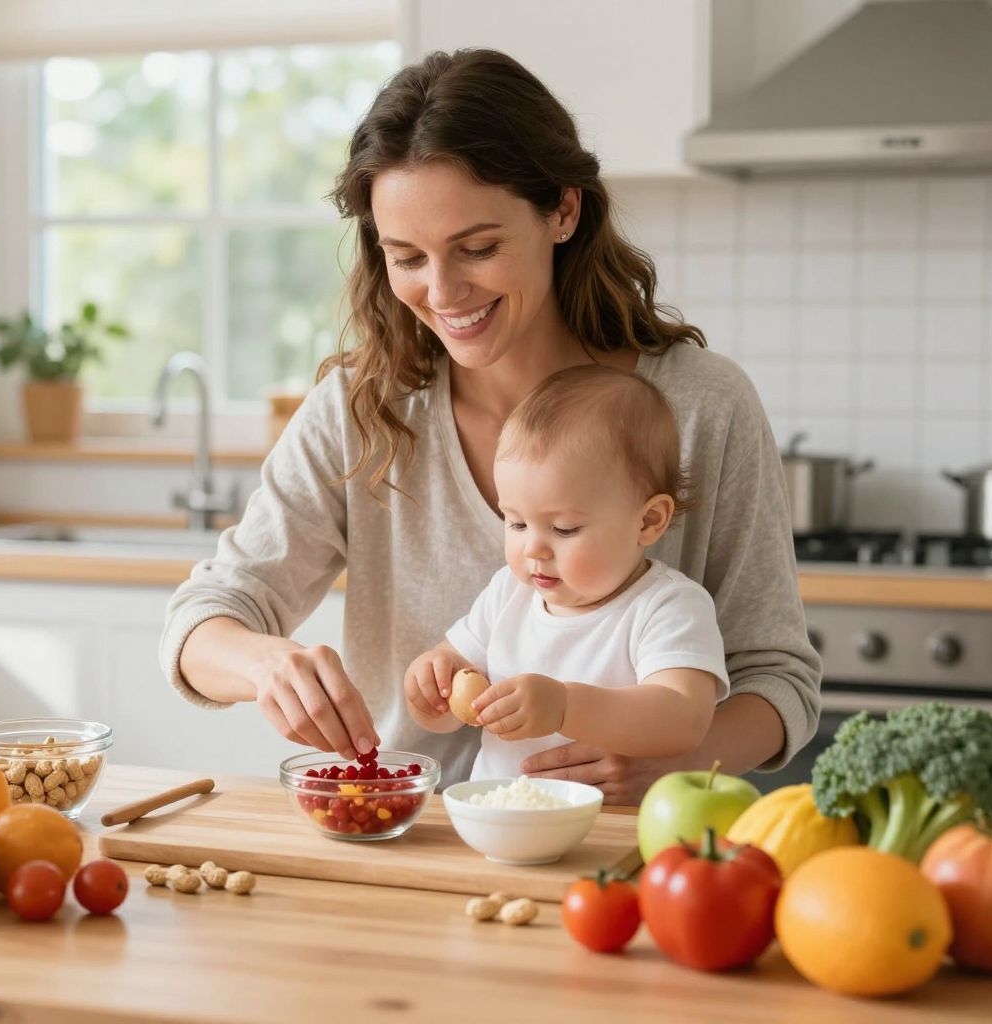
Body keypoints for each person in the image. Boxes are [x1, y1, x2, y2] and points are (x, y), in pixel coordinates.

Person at [159, 48, 820, 802]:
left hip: (626, 852)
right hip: (402, 839)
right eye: (406, 257)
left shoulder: (702, 405)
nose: (443, 293)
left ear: (563, 211)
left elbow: (778, 678)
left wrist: (684, 756)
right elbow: (205, 616)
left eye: (478, 249)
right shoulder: (362, 410)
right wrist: (264, 665)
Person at [404, 365, 728, 781]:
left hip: (608, 835)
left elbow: (683, 720)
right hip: (501, 824)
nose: (533, 548)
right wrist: (432, 689)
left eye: (564, 529)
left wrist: (564, 707)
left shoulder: (666, 606)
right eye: (516, 523)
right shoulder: (508, 594)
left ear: (648, 520)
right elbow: (453, 707)